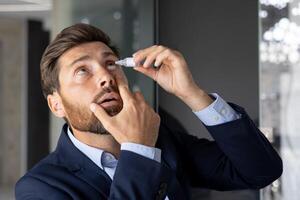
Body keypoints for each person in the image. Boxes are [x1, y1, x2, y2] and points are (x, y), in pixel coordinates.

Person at [15, 23, 282, 200]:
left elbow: (260, 171)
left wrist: (191, 93)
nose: (106, 78)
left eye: (110, 63)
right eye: (83, 70)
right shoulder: (39, 188)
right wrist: (138, 150)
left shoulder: (163, 140)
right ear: (56, 104)